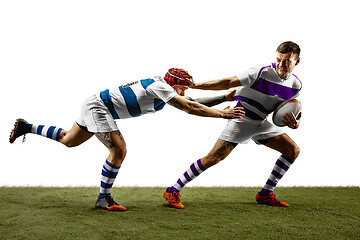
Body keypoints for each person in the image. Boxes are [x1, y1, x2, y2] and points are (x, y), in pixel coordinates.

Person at [9, 68, 245, 211]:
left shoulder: (164, 87)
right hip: (99, 108)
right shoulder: (161, 88)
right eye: (182, 88)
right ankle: (103, 199)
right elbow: (190, 108)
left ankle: (26, 126)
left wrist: (223, 96)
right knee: (119, 150)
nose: (183, 92)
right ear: (174, 85)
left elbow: (193, 102)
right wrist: (224, 113)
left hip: (95, 104)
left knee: (68, 140)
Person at [164, 41, 302, 208]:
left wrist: (295, 123)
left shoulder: (295, 86)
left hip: (261, 122)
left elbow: (288, 111)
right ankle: (173, 190)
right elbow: (228, 82)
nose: (281, 64)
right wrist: (195, 85)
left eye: (286, 61)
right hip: (241, 118)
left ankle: (265, 194)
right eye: (278, 59)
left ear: (297, 61)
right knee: (213, 158)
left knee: (292, 150)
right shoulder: (260, 72)